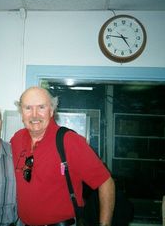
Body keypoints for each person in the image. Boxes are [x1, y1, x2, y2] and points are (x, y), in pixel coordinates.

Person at [11, 86, 115, 226]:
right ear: (21, 113)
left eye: (41, 107)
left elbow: (106, 182)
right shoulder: (17, 139)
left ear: (51, 110)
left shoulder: (70, 141)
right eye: (28, 108)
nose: (34, 115)